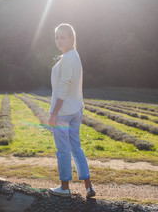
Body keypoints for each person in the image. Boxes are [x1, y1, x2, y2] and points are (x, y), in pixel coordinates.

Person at [48, 23, 96, 198]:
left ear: (71, 38)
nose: (59, 41)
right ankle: (88, 187)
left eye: (63, 37)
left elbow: (65, 86)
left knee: (63, 150)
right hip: (76, 109)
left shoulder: (68, 57)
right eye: (57, 38)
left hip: (63, 113)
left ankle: (64, 187)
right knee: (76, 147)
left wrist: (54, 113)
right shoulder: (74, 55)